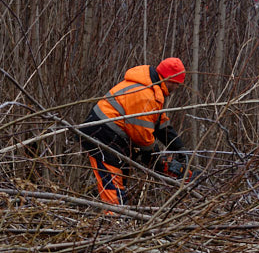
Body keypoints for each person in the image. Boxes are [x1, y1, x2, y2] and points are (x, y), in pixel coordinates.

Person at [78, 57, 192, 206]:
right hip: (102, 137)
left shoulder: (152, 89)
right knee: (113, 189)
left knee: (120, 185)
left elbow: (159, 123)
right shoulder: (145, 95)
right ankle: (114, 222)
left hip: (114, 139)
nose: (177, 88)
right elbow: (141, 137)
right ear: (171, 81)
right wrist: (155, 159)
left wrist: (178, 147)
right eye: (177, 85)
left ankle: (118, 220)